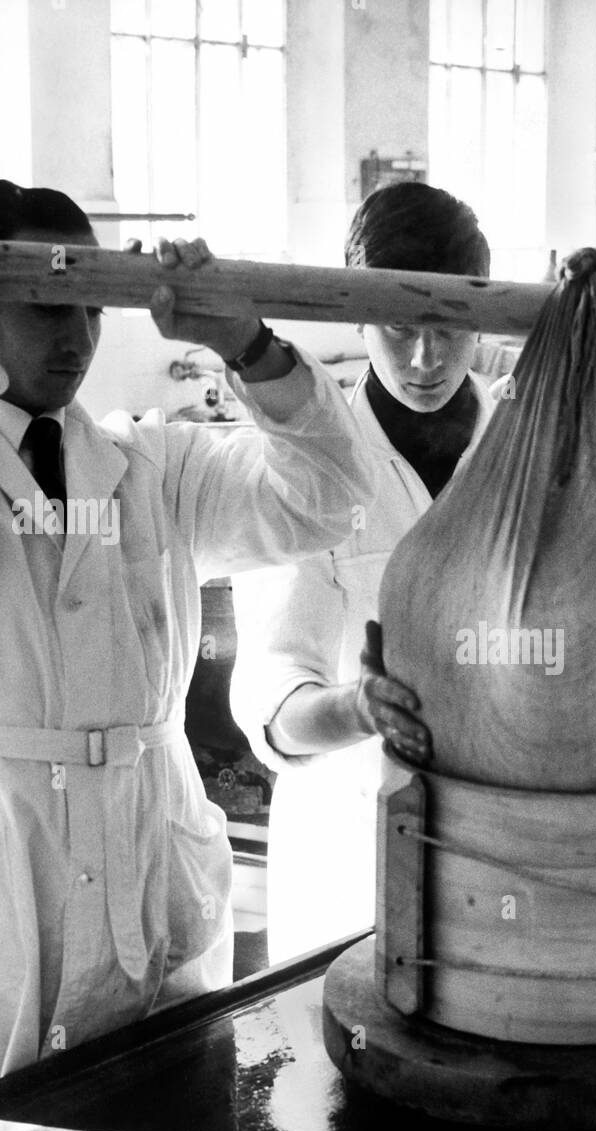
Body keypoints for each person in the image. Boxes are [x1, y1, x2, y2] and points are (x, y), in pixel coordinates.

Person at [0, 180, 379, 1075]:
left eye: (92, 305)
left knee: (178, 1123)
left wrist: (241, 342)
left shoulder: (150, 465)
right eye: (47, 302)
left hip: (155, 858)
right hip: (18, 877)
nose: (78, 335)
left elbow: (328, 500)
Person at [229, 183, 497, 960]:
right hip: (349, 866)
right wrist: (360, 709)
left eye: (451, 328)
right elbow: (274, 714)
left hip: (506, 854)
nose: (425, 358)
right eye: (399, 325)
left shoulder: (524, 449)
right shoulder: (304, 467)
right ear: (357, 313)